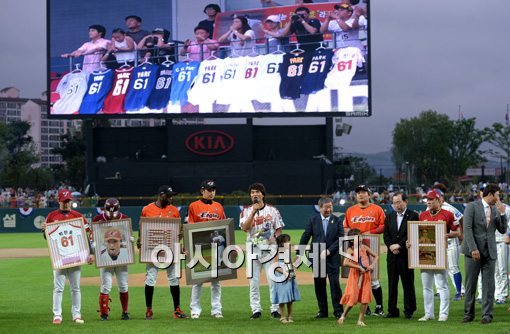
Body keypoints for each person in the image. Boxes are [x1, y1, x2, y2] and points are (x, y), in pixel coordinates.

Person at [40, 189, 94, 325]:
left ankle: (77, 315)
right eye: (64, 201)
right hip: (60, 258)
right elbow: (48, 237)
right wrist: (44, 230)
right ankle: (57, 315)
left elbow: (87, 235)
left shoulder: (78, 216)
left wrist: (91, 252)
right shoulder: (51, 216)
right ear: (59, 201)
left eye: (68, 201)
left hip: (75, 257)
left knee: (75, 287)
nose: (67, 203)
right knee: (58, 288)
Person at [408, 190, 459, 322]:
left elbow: (458, 232)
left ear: (438, 200)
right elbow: (418, 234)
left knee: (442, 285)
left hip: (441, 253)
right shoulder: (423, 215)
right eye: (427, 200)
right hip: (425, 253)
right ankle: (428, 314)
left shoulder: (448, 214)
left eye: (431, 199)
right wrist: (411, 242)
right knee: (426, 286)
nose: (429, 202)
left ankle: (443, 314)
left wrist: (447, 235)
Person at [461, 183, 507, 324]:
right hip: (472, 252)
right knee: (470, 284)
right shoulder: (472, 207)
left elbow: (503, 230)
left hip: (490, 252)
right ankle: (469, 314)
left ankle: (487, 315)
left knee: (489, 285)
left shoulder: (496, 210)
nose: (499, 198)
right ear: (491, 194)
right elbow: (467, 229)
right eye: (498, 195)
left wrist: (502, 213)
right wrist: (473, 249)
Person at [139, 185, 187, 320]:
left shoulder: (174, 211)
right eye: (169, 195)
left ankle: (177, 309)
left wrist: (178, 243)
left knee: (174, 279)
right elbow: (142, 228)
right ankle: (149, 310)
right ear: (161, 195)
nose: (171, 198)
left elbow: (180, 231)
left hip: (170, 251)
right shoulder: (147, 209)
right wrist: (140, 241)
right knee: (150, 279)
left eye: (172, 195)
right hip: (152, 251)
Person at [240, 182, 285, 319]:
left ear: (263, 194)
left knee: (273, 280)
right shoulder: (246, 210)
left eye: (257, 192)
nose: (255, 194)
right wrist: (253, 212)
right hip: (253, 250)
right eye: (252, 192)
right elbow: (245, 228)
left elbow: (278, 229)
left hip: (269, 250)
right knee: (253, 281)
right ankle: (256, 309)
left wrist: (276, 241)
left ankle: (275, 309)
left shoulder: (272, 210)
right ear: (250, 195)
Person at [298, 197, 344, 319]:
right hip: (317, 257)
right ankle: (323, 311)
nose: (329, 209)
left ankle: (338, 311)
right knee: (319, 285)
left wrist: (329, 251)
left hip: (332, 257)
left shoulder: (337, 220)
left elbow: (340, 239)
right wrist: (299, 253)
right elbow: (305, 236)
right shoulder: (313, 220)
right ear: (320, 208)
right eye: (326, 207)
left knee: (335, 284)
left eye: (331, 207)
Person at [343, 185, 385, 316]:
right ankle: (365, 307)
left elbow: (383, 225)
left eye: (363, 192)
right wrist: (354, 236)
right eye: (358, 193)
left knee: (373, 278)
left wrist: (368, 232)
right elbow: (345, 227)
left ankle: (379, 307)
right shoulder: (350, 210)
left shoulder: (377, 209)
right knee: (357, 278)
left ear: (369, 194)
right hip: (356, 247)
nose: (360, 195)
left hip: (371, 245)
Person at [187, 180, 226, 319]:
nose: (212, 192)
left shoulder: (219, 206)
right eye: (209, 190)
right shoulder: (194, 206)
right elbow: (190, 228)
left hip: (216, 248)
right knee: (198, 280)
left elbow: (224, 227)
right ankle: (195, 310)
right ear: (202, 190)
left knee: (216, 281)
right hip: (200, 248)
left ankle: (216, 309)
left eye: (213, 189)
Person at [91, 198, 131, 321]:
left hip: (122, 256)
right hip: (105, 257)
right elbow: (92, 237)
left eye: (114, 211)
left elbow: (128, 236)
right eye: (109, 211)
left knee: (123, 286)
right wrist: (94, 247)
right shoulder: (98, 219)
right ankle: (104, 313)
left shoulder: (124, 218)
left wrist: (130, 241)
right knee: (105, 286)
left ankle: (125, 312)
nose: (112, 214)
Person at [383, 192, 418, 319]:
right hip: (392, 256)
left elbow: (412, 235)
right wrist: (391, 246)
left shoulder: (413, 216)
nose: (397, 205)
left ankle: (409, 310)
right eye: (394, 203)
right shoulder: (389, 217)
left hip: (406, 256)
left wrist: (399, 245)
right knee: (392, 284)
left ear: (405, 202)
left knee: (408, 283)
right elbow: (386, 235)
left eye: (399, 202)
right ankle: (392, 310)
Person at [476, 184, 510, 304]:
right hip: (487, 242)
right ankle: (482, 293)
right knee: (486, 270)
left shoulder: (506, 208)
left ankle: (501, 294)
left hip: (501, 241)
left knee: (502, 269)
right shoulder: (481, 208)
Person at [337, 229, 378, 327]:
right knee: (353, 297)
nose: (360, 239)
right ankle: (343, 316)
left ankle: (360, 320)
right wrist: (359, 267)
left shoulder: (364, 248)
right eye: (357, 237)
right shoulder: (350, 250)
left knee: (365, 298)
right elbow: (345, 263)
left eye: (360, 236)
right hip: (355, 276)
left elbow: (376, 256)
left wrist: (372, 265)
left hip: (366, 275)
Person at [432, 183, 465, 301]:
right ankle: (441, 291)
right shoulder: (429, 208)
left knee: (454, 267)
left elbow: (461, 217)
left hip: (451, 241)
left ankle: (459, 292)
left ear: (442, 197)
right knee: (438, 268)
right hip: (437, 243)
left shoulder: (449, 208)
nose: (436, 200)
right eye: (434, 198)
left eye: (438, 197)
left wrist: (461, 235)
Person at [272, 234, 301, 323]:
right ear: (281, 243)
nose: (289, 243)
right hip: (281, 277)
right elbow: (276, 266)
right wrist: (285, 273)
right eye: (287, 241)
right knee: (282, 296)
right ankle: (283, 316)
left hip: (289, 275)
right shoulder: (277, 252)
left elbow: (291, 263)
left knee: (290, 297)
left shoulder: (287, 251)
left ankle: (290, 316)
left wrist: (293, 271)